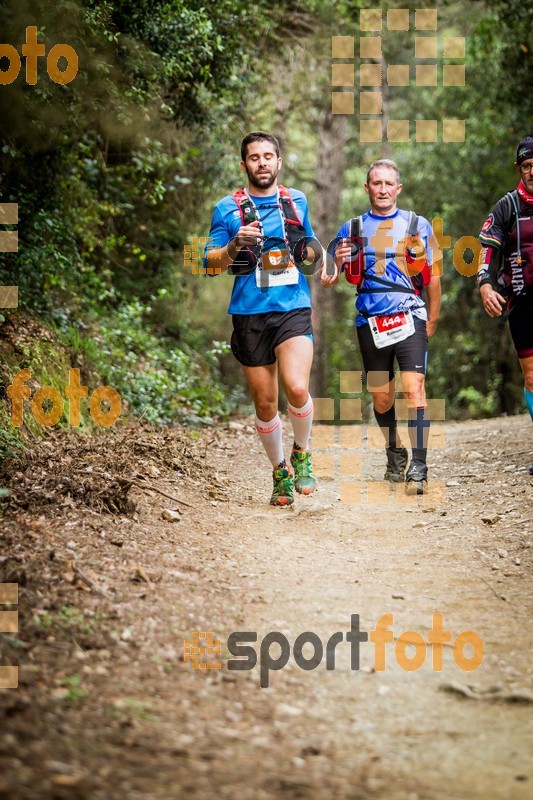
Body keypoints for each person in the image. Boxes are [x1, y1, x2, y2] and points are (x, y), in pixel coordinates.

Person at [204, 131, 337, 506]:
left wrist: (323, 260)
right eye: (254, 157)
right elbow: (208, 264)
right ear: (244, 164)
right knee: (265, 403)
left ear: (279, 162)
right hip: (249, 314)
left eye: (268, 156)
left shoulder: (296, 200)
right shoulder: (226, 210)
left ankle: (303, 453)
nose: (262, 163)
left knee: (296, 387)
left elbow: (308, 244)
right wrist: (234, 245)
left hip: (292, 306)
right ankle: (279, 471)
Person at [333, 159, 441, 495]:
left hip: (411, 315)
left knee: (414, 389)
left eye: (388, 184)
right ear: (367, 188)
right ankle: (395, 452)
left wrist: (432, 318)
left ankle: (419, 466)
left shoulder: (417, 224)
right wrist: (335, 262)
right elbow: (330, 274)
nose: (382, 189)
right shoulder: (352, 228)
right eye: (376, 183)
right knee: (381, 397)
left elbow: (434, 277)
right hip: (370, 321)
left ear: (398, 188)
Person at [478, 134, 533, 475]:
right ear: (519, 168)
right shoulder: (507, 206)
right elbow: (487, 250)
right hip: (524, 301)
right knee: (531, 377)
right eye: (528, 166)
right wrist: (484, 284)